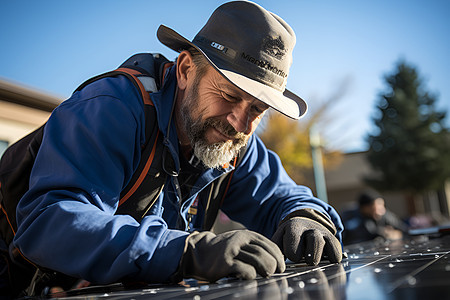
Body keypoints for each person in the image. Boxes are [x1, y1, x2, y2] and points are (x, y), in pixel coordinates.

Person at [1, 1, 343, 296]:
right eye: (228, 95)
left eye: (257, 109)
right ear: (185, 69)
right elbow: (49, 221)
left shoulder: (233, 142)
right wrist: (182, 252)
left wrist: (306, 217)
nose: (240, 122)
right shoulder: (113, 108)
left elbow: (280, 197)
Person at [342, 190, 408, 245]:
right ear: (365, 208)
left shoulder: (385, 215)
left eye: (383, 206)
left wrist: (395, 234)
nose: (382, 210)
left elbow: (403, 229)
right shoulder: (350, 217)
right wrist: (381, 232)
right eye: (377, 206)